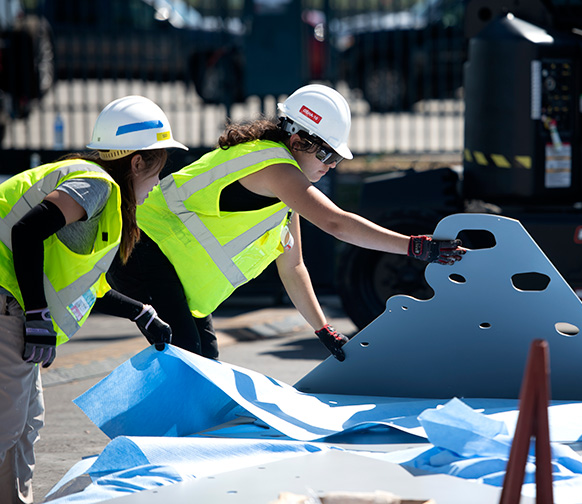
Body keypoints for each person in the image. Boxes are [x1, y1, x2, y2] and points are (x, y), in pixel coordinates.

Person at [107, 83, 465, 362]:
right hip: (143, 253)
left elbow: (294, 268)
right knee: (186, 362)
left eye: (336, 157)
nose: (330, 165)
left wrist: (323, 329)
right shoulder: (273, 167)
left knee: (204, 366)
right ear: (297, 141)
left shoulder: (284, 196)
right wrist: (415, 246)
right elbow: (336, 223)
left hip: (166, 269)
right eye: (325, 153)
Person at [0, 95, 181, 504]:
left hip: (13, 303)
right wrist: (36, 315)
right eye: (158, 166)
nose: (157, 181)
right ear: (136, 162)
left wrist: (140, 312)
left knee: (24, 425)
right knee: (6, 426)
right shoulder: (96, 184)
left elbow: (83, 286)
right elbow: (26, 233)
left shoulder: (101, 197)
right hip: (7, 303)